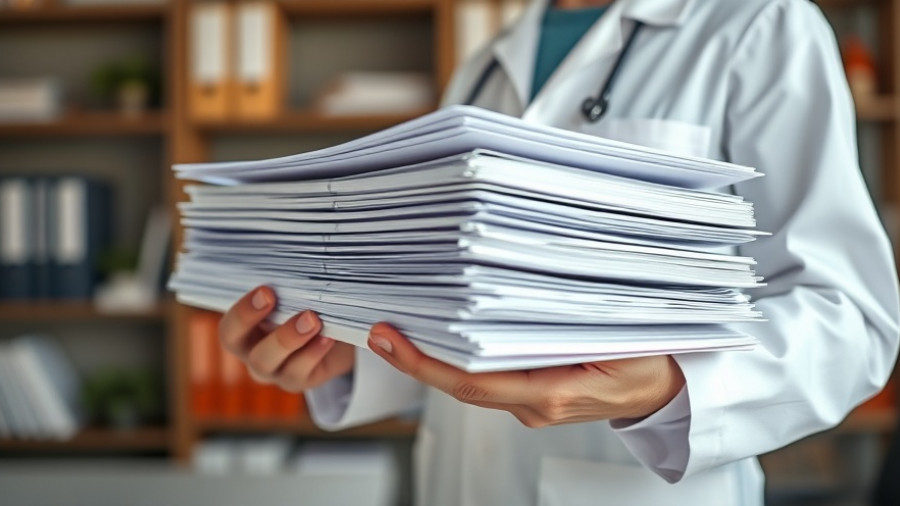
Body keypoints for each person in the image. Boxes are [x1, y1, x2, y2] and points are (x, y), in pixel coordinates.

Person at [217, 0, 900, 504]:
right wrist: (344, 348)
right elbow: (462, 317)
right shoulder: (485, 66)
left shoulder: (759, 25)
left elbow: (851, 320)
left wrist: (669, 386)